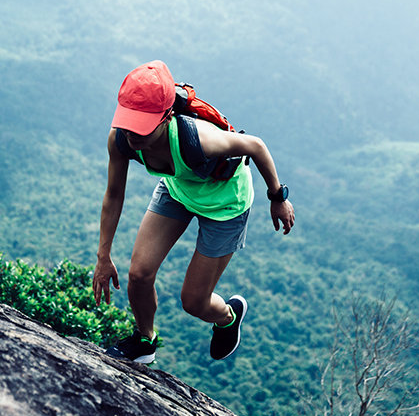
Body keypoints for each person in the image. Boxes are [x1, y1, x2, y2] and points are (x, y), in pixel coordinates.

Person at [93, 60, 295, 363]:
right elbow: (113, 194)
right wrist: (103, 256)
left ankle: (228, 316)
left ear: (167, 116)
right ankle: (145, 340)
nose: (134, 134)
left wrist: (277, 197)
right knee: (139, 275)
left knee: (194, 301)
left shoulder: (199, 139)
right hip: (179, 187)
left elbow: (256, 146)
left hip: (225, 204)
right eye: (129, 122)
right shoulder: (122, 140)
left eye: (143, 126)